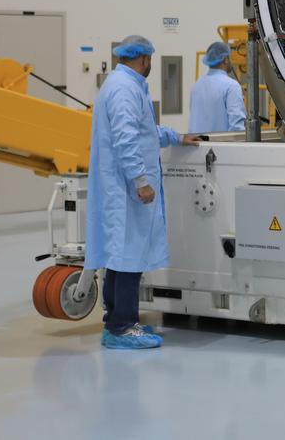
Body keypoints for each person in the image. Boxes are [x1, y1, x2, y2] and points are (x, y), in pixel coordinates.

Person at [87, 35, 200, 349]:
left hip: (123, 188)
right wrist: (141, 181)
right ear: (145, 59)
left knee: (120, 255)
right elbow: (126, 139)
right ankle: (122, 327)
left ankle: (117, 322)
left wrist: (177, 137)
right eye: (150, 59)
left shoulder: (124, 84)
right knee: (128, 258)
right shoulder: (124, 89)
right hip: (127, 191)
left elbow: (145, 133)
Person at [189, 41, 247, 133]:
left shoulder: (196, 86)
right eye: (230, 58)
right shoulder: (231, 86)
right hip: (220, 146)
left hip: (196, 145)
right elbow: (236, 128)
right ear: (225, 60)